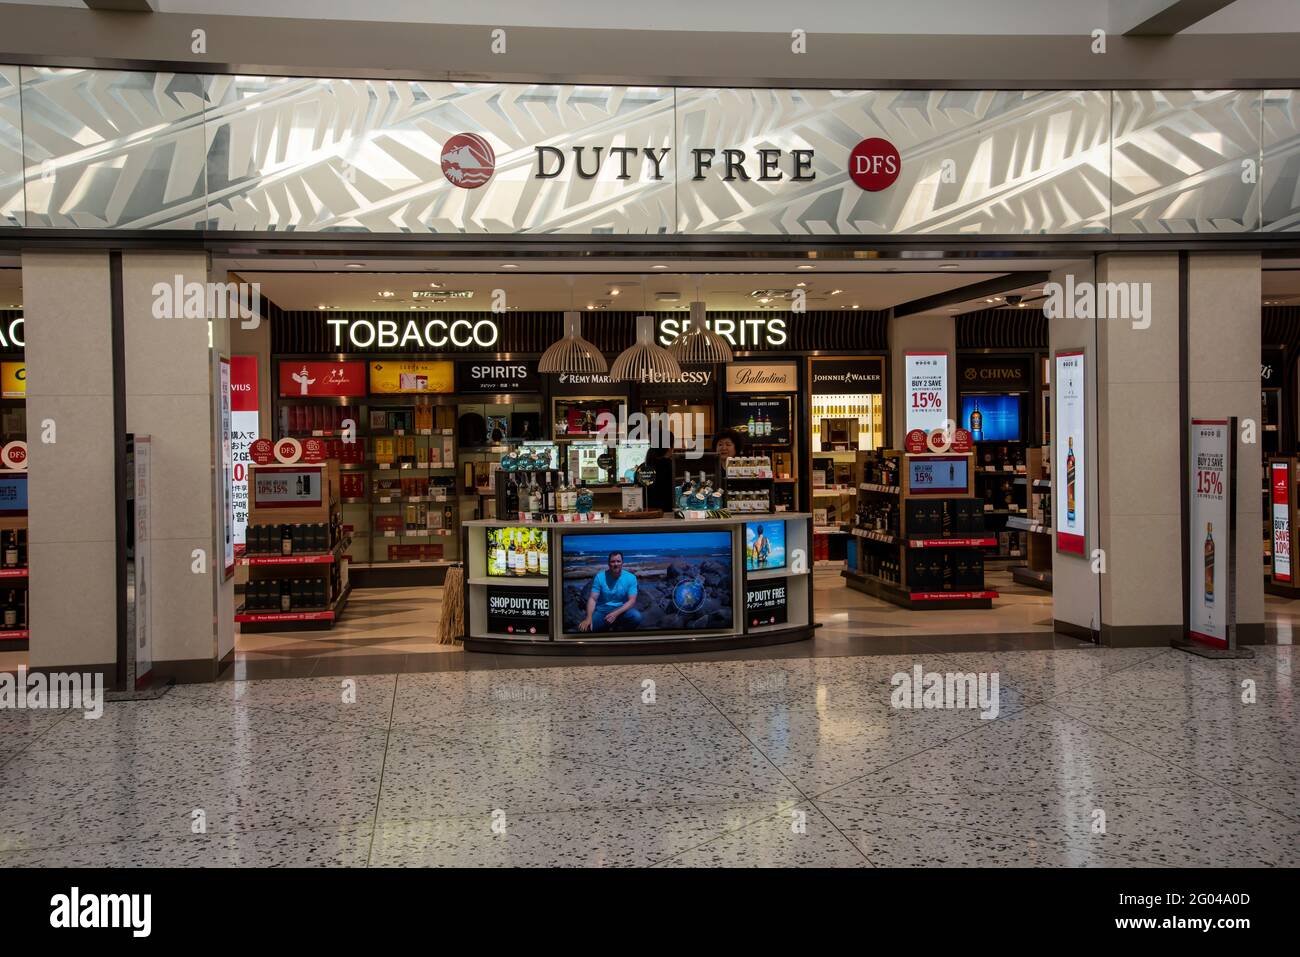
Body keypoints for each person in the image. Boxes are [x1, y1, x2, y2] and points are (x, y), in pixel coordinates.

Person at [578, 551, 642, 632]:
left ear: (622, 563)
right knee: (586, 628)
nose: (616, 564)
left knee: (636, 617)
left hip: (621, 609)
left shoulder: (631, 578)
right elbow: (593, 599)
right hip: (602, 610)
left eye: (618, 561)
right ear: (608, 563)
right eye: (613, 561)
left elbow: (632, 601)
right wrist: (588, 618)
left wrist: (615, 614)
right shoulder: (600, 577)